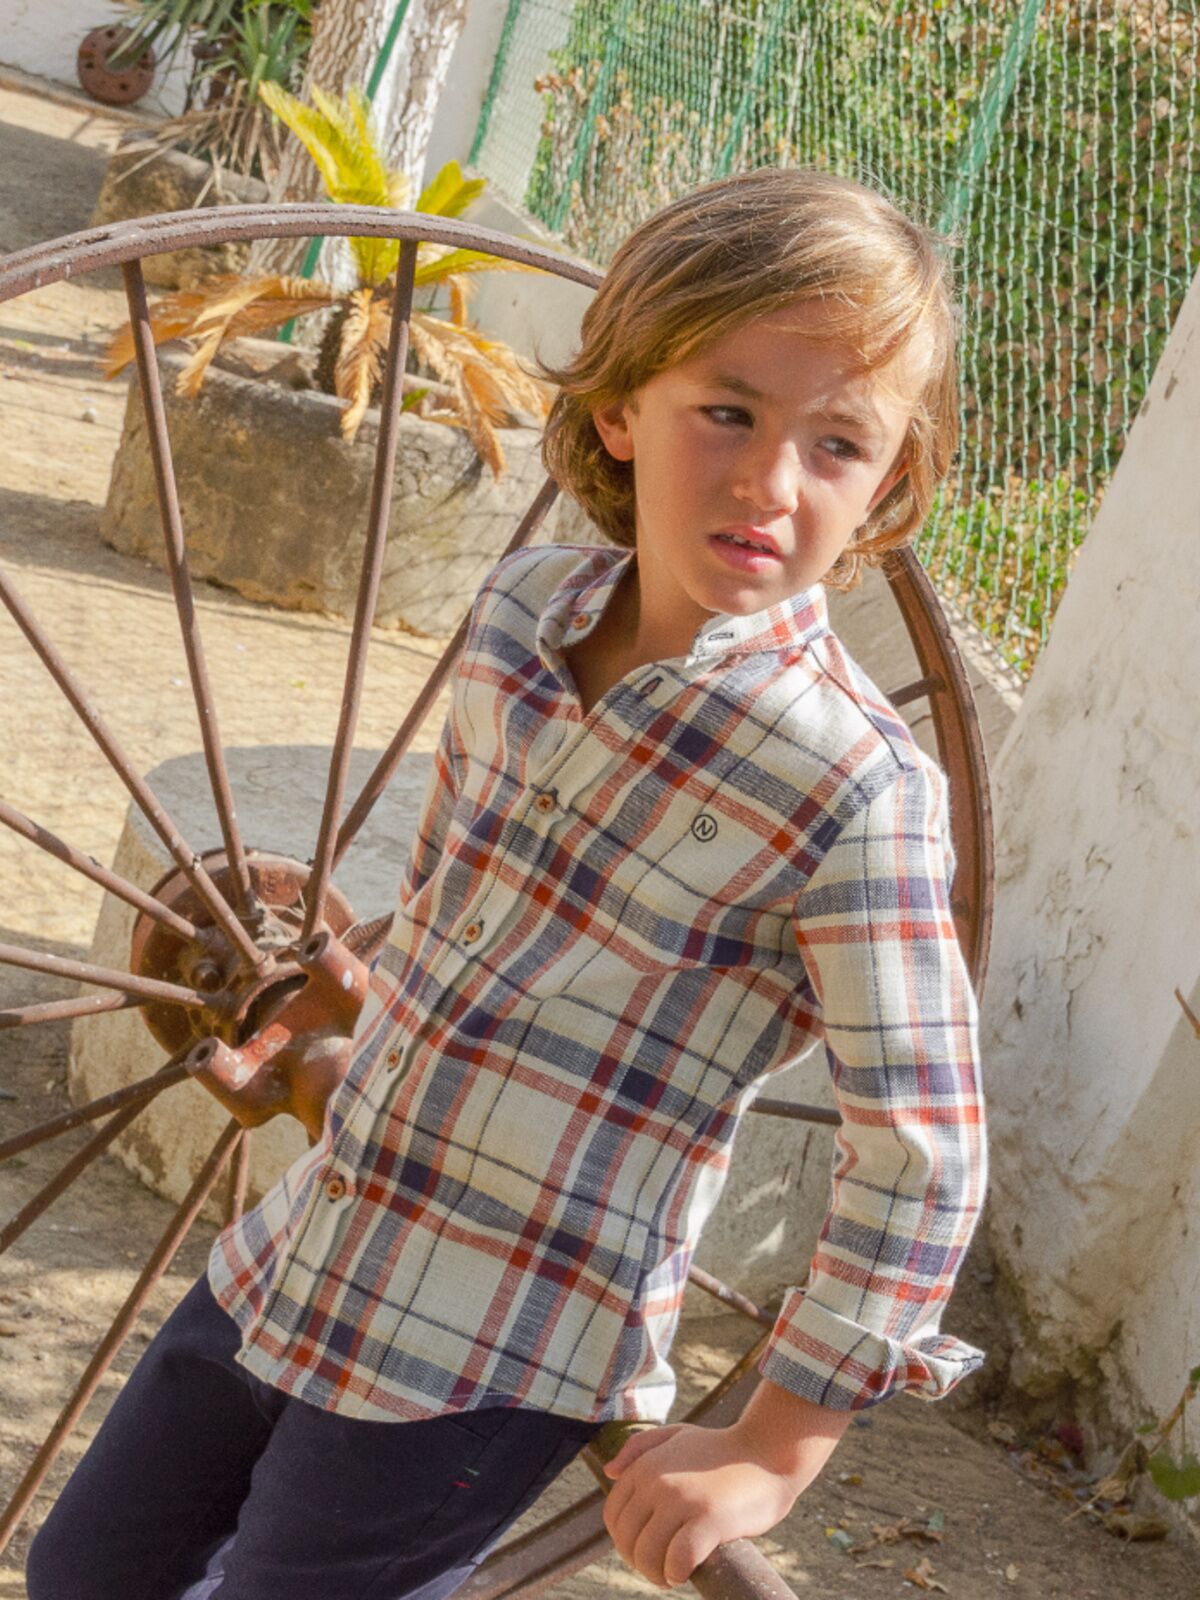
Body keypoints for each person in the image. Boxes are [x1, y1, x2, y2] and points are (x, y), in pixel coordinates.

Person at [27, 167, 986, 1600]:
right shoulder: (527, 615)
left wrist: (774, 1444)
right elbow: (452, 904)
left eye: (839, 444)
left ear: (890, 479)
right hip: (322, 1233)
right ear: (620, 411)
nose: (770, 482)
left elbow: (925, 1151)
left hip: (493, 1348)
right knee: (88, 1569)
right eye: (726, 410)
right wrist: (338, 1021)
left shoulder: (855, 791)